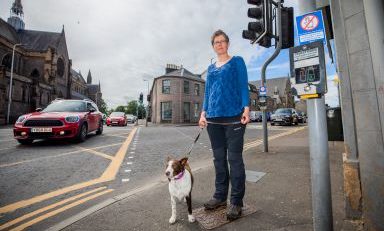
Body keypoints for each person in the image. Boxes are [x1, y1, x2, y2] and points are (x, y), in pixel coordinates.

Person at [199, 29, 250, 220]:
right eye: (216, 42)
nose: (219, 44)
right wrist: (203, 113)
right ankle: (220, 196)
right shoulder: (211, 69)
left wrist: (246, 108)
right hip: (213, 120)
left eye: (222, 41)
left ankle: (236, 201)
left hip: (234, 117)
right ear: (213, 46)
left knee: (234, 160)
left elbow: (243, 85)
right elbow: (207, 93)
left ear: (227, 43)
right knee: (218, 160)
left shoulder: (237, 61)